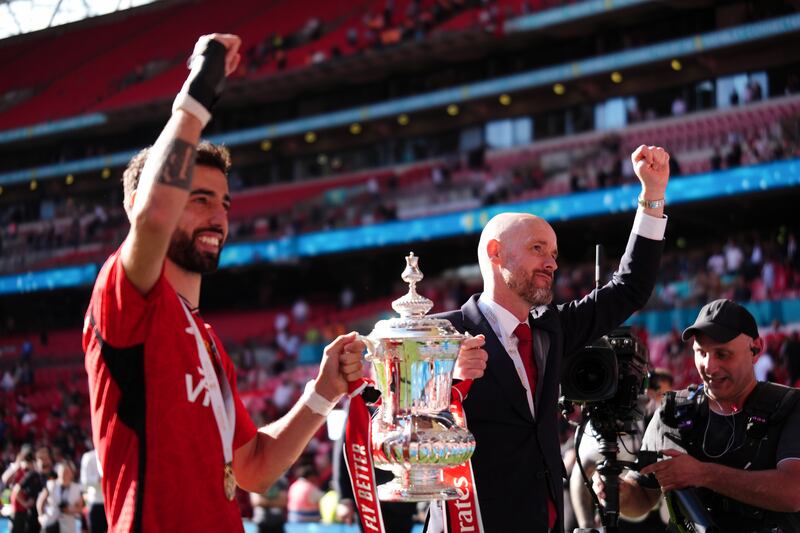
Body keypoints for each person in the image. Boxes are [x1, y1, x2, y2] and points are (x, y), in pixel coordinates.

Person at [82, 33, 363, 532]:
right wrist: (195, 97)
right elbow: (152, 220)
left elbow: (253, 467)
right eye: (198, 199)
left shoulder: (208, 342)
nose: (218, 217)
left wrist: (323, 393)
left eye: (224, 203)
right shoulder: (125, 300)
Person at [426, 145, 670, 532]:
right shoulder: (439, 336)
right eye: (537, 249)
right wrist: (447, 381)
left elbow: (630, 288)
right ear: (496, 253)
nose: (552, 263)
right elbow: (393, 431)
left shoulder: (552, 328)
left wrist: (652, 196)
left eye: (554, 253)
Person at [605, 299, 800, 532]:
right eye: (701, 353)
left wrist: (703, 474)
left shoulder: (789, 406)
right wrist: (620, 493)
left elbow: (793, 492)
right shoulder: (671, 413)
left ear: (756, 349)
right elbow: (644, 500)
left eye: (723, 354)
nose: (710, 366)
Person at [37, 461, 83, 533]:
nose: (64, 474)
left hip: (68, 524)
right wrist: (41, 517)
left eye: (67, 472)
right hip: (51, 521)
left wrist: (69, 510)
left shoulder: (76, 488)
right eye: (62, 472)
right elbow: (41, 501)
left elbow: (80, 507)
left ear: (72, 474)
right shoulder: (51, 484)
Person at [79, 448, 106, 533]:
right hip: (96, 502)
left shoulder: (111, 454)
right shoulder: (88, 457)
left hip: (111, 502)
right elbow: (84, 480)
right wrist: (99, 480)